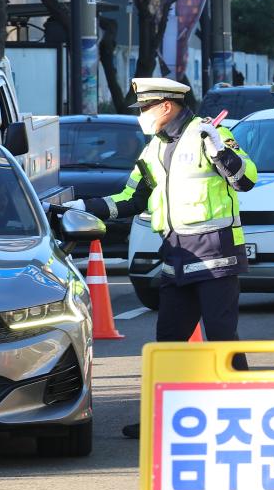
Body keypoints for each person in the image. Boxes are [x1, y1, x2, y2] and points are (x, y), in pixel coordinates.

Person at [67, 76, 258, 439]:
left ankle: (244, 417)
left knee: (221, 337)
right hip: (175, 256)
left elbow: (245, 180)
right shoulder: (153, 149)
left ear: (166, 107)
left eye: (144, 108)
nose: (141, 115)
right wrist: (83, 208)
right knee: (167, 342)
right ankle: (160, 416)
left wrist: (222, 153)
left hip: (216, 255)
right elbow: (131, 198)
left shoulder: (208, 134)